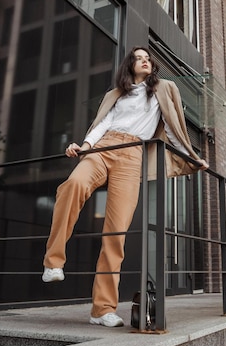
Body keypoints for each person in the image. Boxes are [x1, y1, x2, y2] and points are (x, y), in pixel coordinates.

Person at [42, 46, 209, 328]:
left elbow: (172, 128)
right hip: (104, 147)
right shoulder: (115, 94)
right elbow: (101, 124)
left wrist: (191, 157)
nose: (145, 61)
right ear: (129, 65)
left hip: (133, 155)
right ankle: (53, 262)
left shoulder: (163, 90)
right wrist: (83, 147)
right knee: (73, 184)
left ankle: (102, 310)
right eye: (138, 58)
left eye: (148, 58)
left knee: (116, 232)